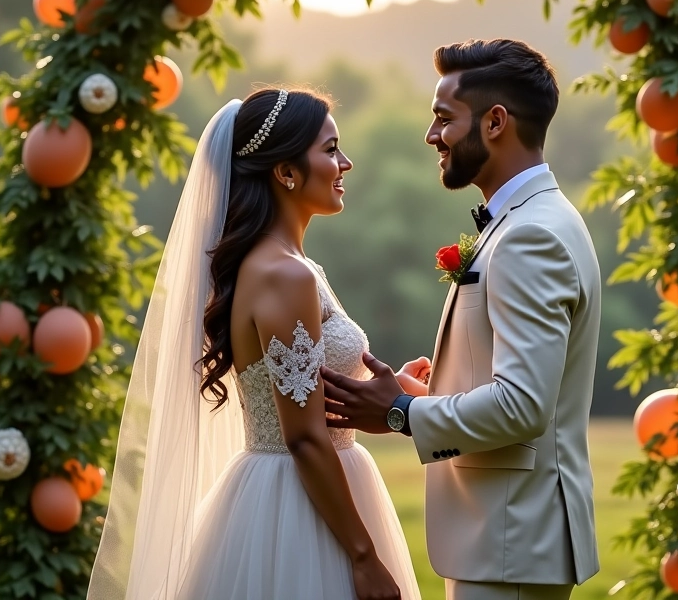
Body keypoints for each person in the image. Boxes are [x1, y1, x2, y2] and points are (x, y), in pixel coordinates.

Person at [87, 87, 420, 600]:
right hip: (298, 507)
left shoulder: (294, 266)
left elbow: (299, 391)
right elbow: (303, 436)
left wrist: (387, 389)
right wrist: (363, 556)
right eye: (330, 150)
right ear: (285, 172)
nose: (345, 163)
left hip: (313, 486)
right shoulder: (283, 275)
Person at [323, 39, 602, 600]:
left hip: (509, 543)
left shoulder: (530, 236)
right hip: (505, 538)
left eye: (444, 119)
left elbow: (524, 405)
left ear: (495, 122)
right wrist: (437, 389)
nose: (432, 136)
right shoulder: (530, 220)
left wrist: (402, 414)